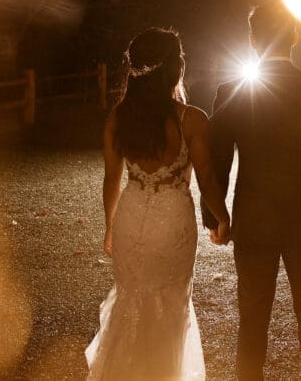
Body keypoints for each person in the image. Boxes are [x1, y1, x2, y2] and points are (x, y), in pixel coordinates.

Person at [203, 3, 301, 381]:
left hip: (254, 216)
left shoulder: (232, 91)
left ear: (253, 39)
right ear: (295, 36)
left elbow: (218, 160)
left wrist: (216, 218)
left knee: (252, 319)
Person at [86, 28, 231, 380]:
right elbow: (207, 179)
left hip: (130, 217)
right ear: (174, 68)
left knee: (131, 300)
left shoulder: (119, 117)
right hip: (172, 223)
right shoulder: (191, 119)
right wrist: (223, 218)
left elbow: (111, 179)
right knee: (169, 303)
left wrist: (110, 226)